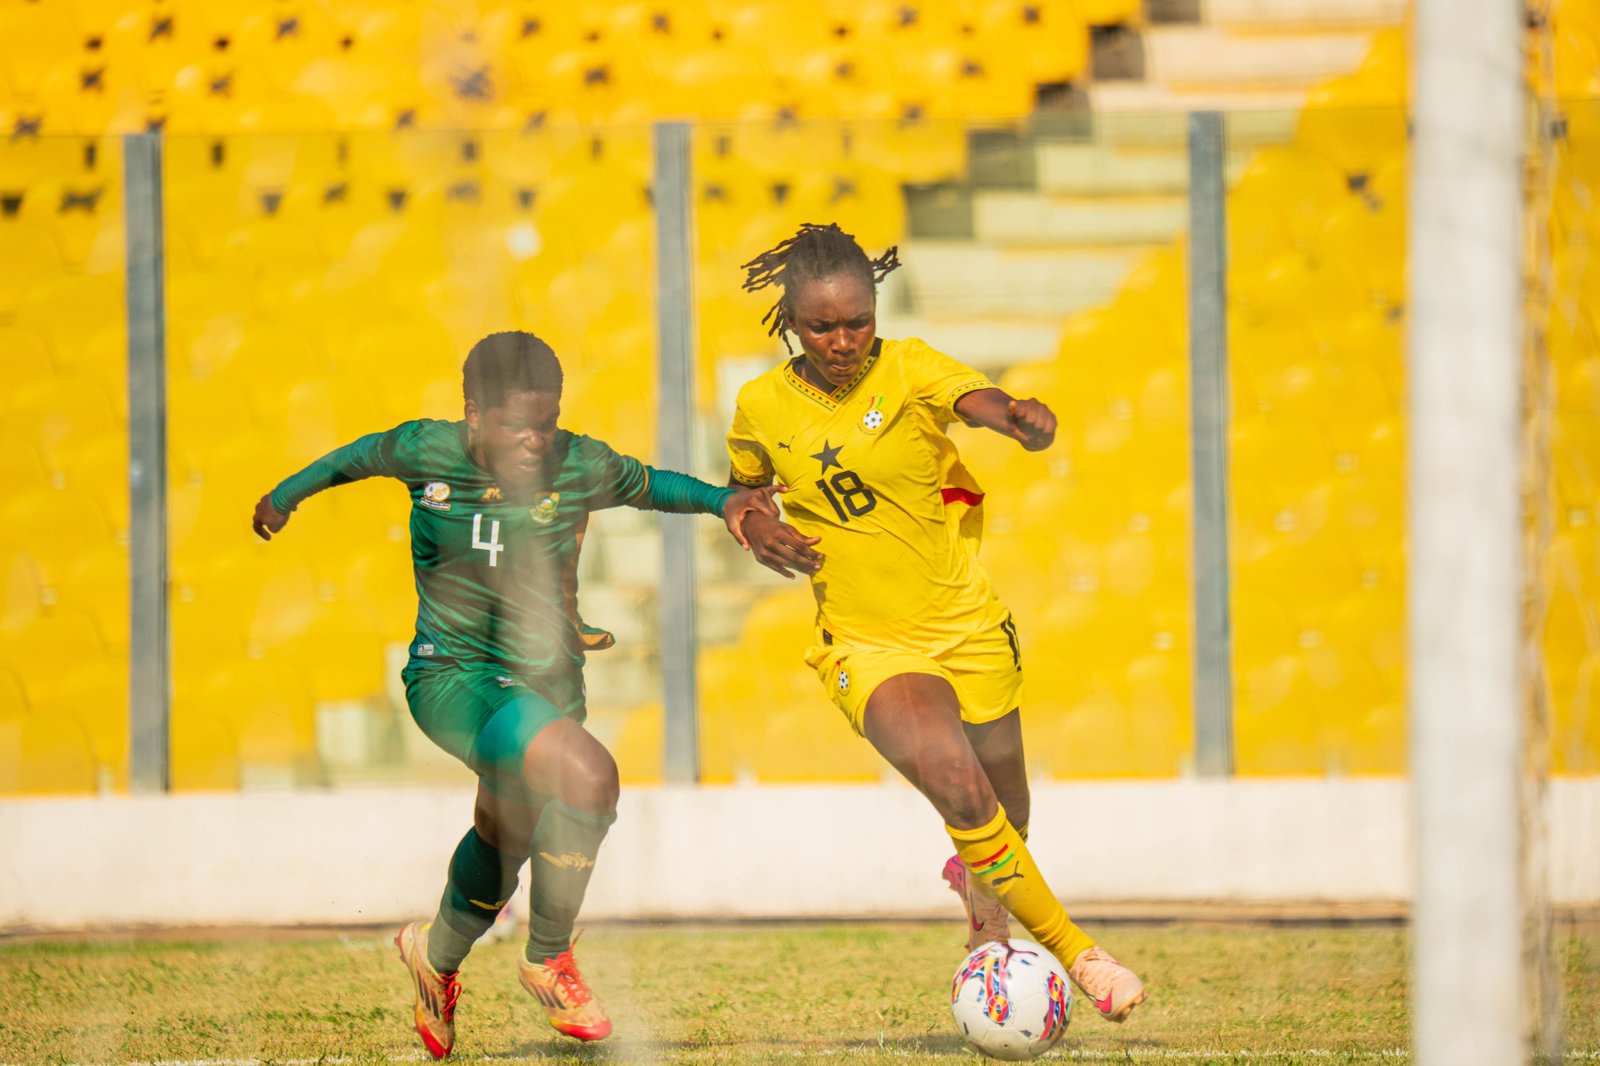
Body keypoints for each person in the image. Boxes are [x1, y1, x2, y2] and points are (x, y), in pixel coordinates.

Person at [252, 331, 781, 1058]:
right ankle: (548, 958)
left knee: (507, 839)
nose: (536, 439)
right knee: (591, 778)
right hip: (454, 678)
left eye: (547, 421)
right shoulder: (425, 451)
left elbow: (652, 484)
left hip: (548, 684)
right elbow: (353, 458)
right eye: (516, 425)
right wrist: (282, 500)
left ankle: (433, 956)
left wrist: (725, 501)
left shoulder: (577, 461)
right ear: (473, 416)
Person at [725, 223, 1147, 1023]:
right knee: (957, 784)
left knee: (1004, 813)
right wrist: (753, 527)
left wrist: (1015, 414)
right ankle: (1079, 955)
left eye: (858, 320)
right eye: (822, 326)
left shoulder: (909, 365)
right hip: (868, 644)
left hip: (966, 624)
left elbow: (976, 400)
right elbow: (744, 490)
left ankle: (982, 898)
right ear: (789, 321)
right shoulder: (759, 406)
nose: (844, 340)